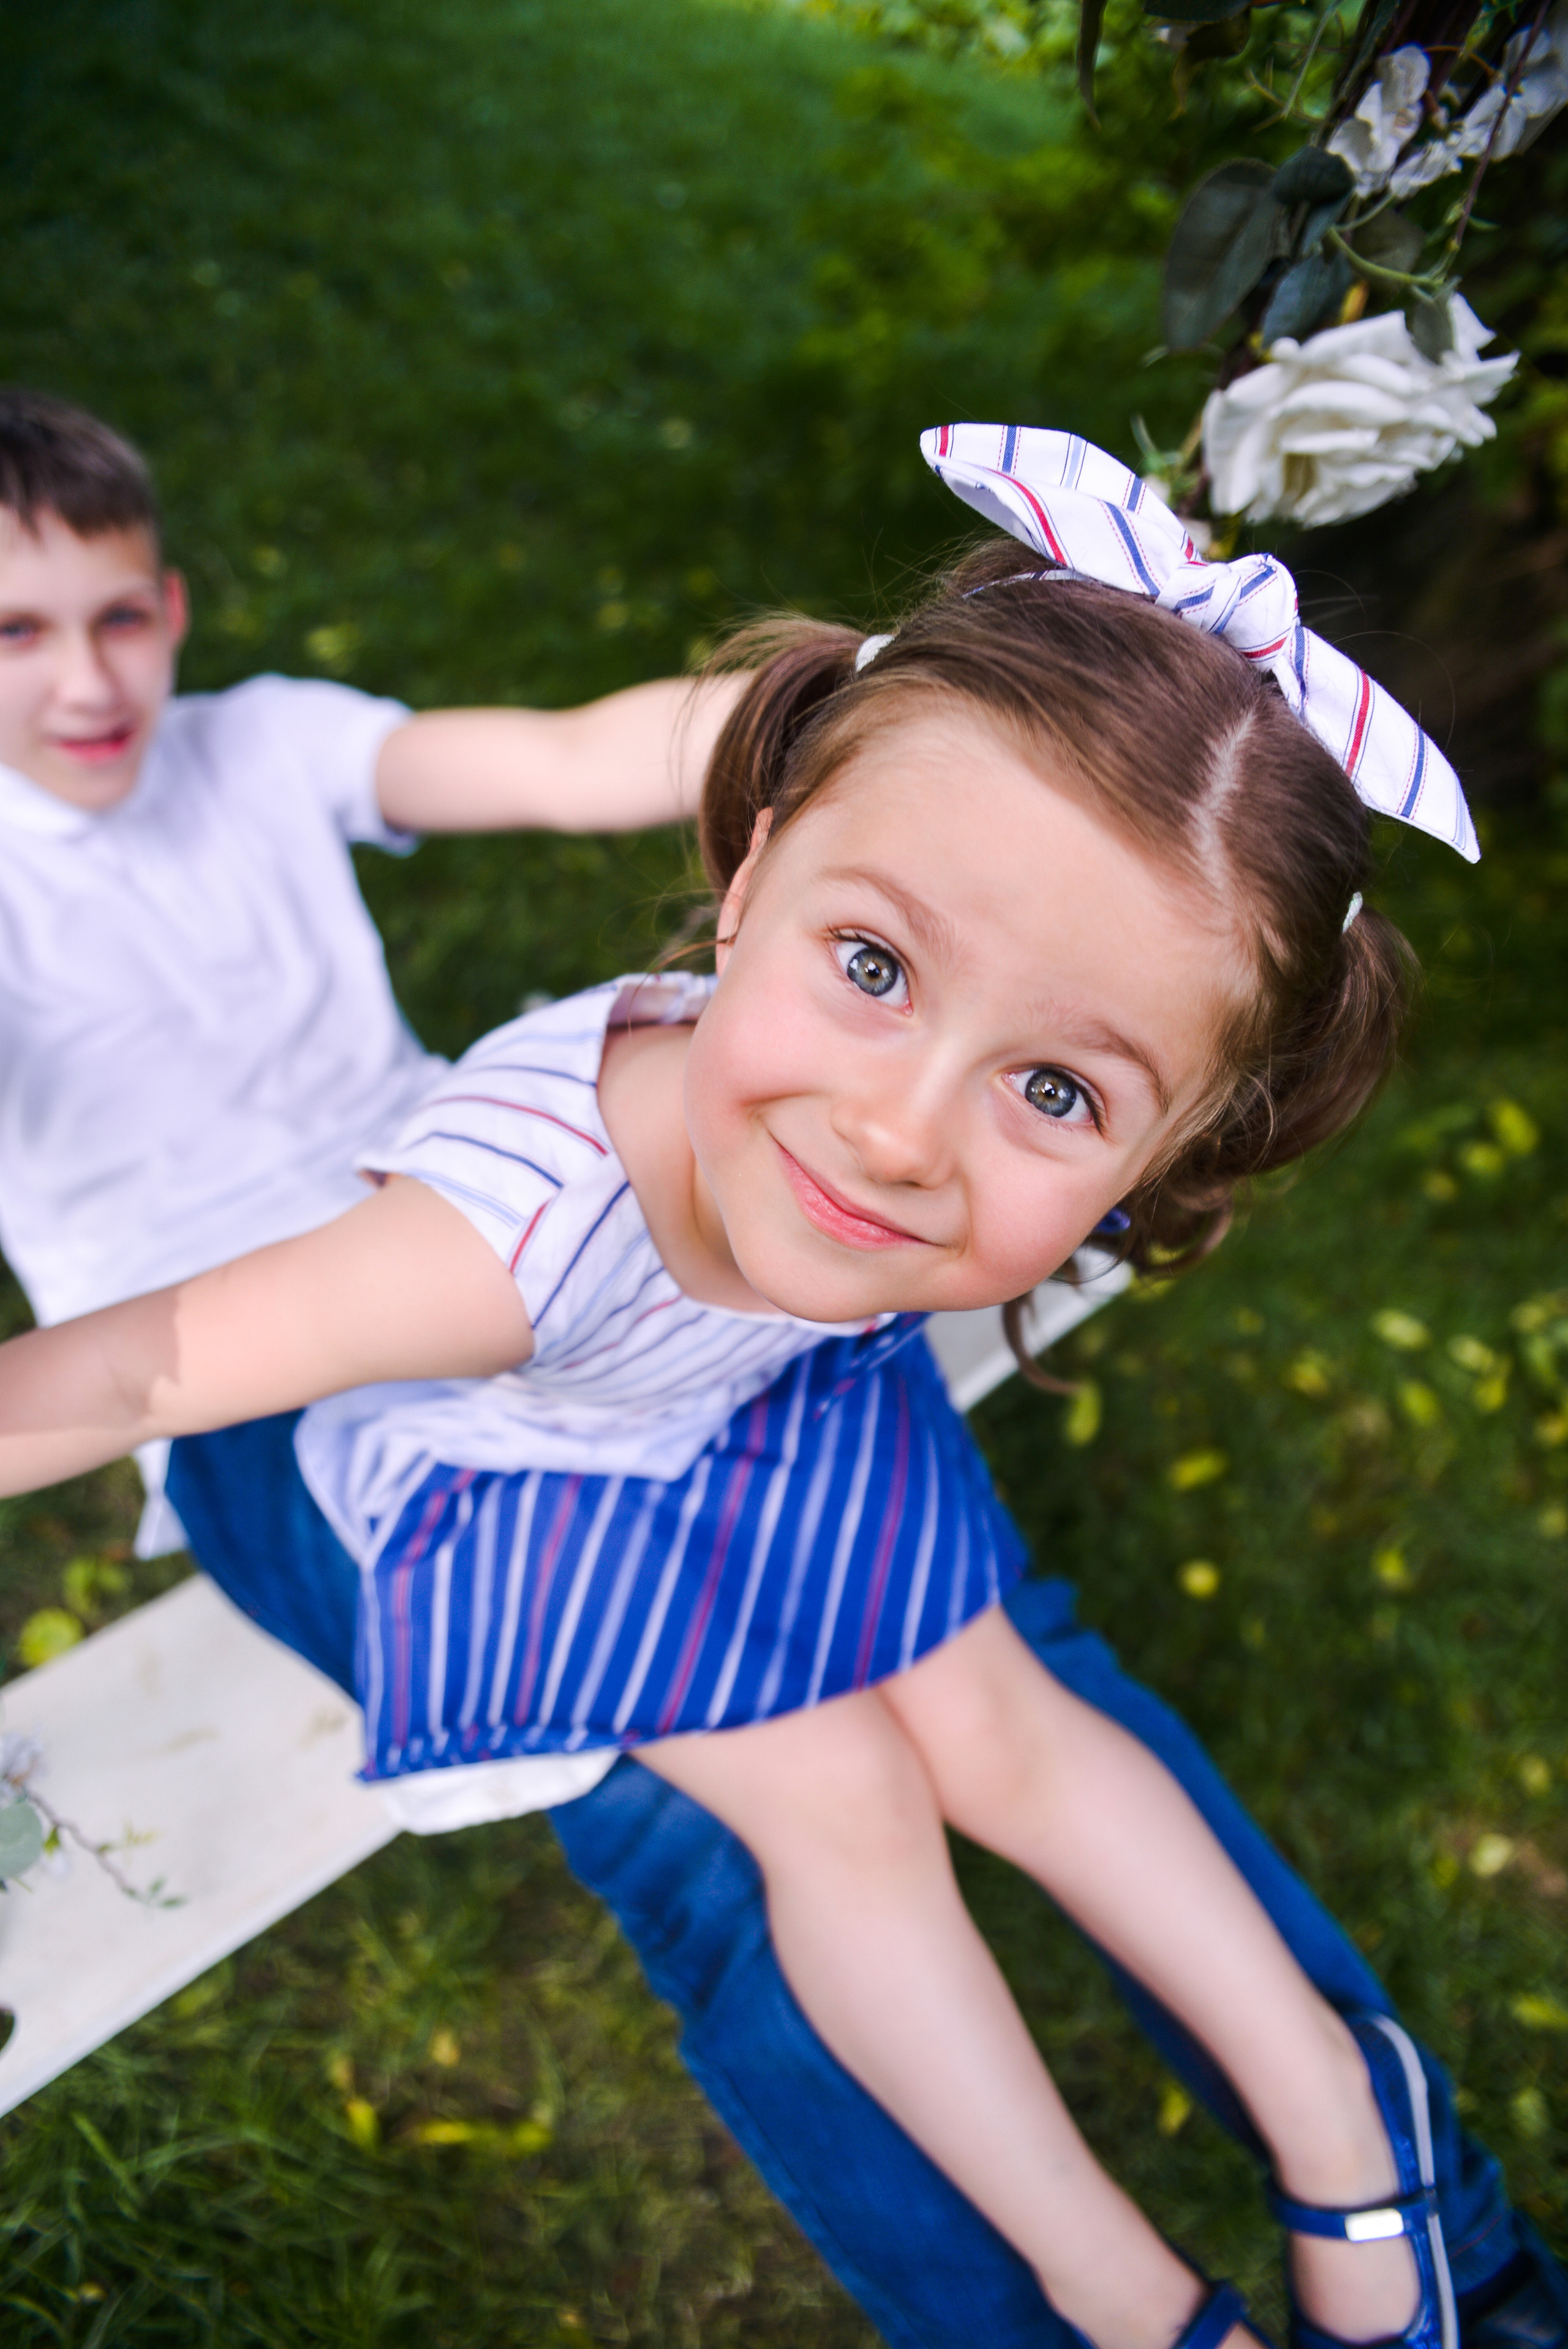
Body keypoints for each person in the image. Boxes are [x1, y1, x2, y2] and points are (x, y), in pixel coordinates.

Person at [2, 421, 1563, 2349]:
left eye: (1055, 1088)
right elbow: (141, 1355)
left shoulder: (809, 1151)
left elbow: (597, 755)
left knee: (993, 1698)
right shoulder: (495, 1244)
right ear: (748, 882)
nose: (905, 1133)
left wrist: (910, 698)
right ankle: (1130, 2303)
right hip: (462, 1432)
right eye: (876, 963)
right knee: (834, 1792)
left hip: (710, 1361)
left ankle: (1351, 2122)